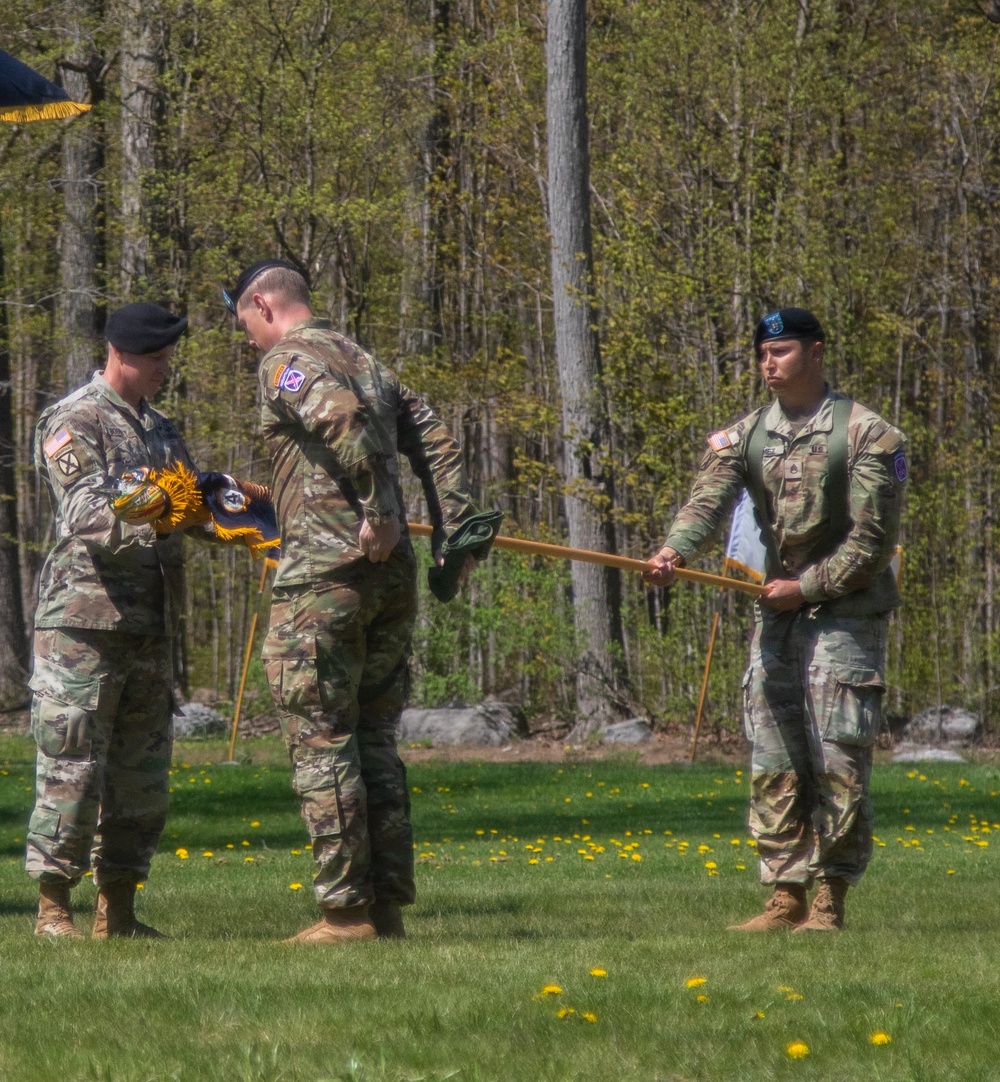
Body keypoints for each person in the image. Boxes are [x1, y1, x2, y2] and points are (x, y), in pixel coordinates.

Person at [224, 259, 490, 944]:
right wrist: (453, 527)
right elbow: (432, 436)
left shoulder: (287, 360)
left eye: (244, 323)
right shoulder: (365, 360)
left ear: (264, 304)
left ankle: (344, 913)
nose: (247, 339)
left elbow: (336, 418)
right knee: (374, 739)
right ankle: (385, 907)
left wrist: (379, 509)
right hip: (388, 581)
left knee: (322, 737)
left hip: (326, 576)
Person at [644, 308, 907, 932]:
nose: (769, 362)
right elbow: (706, 503)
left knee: (838, 756)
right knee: (773, 755)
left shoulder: (870, 435)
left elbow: (873, 540)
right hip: (776, 615)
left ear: (816, 353)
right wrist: (674, 551)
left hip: (844, 615)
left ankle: (829, 899)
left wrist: (806, 586)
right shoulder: (747, 435)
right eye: (763, 352)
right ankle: (783, 894)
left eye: (782, 351)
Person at [28, 302, 201, 938]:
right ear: (121, 353)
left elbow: (191, 503)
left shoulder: (161, 429)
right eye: (156, 357)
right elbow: (84, 511)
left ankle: (119, 910)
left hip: (149, 624)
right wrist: (162, 509)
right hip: (83, 625)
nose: (165, 368)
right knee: (72, 766)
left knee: (141, 776)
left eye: (167, 357)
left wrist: (231, 515)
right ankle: (52, 909)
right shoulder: (73, 420)